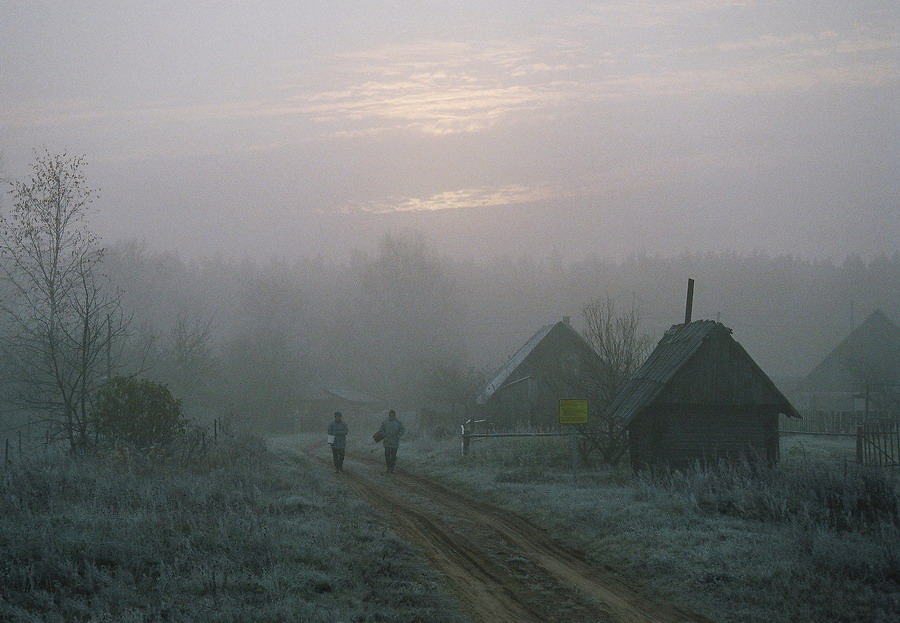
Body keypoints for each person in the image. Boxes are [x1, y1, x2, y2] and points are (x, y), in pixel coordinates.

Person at [378, 409, 404, 474]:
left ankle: (392, 469)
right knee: (387, 457)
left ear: (395, 415)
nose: (392, 416)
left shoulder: (398, 422)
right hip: (387, 443)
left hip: (395, 443)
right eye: (390, 414)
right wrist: (385, 436)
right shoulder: (385, 422)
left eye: (393, 414)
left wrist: (398, 436)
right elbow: (381, 430)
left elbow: (402, 430)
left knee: (393, 457)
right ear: (389, 415)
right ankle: (388, 467)